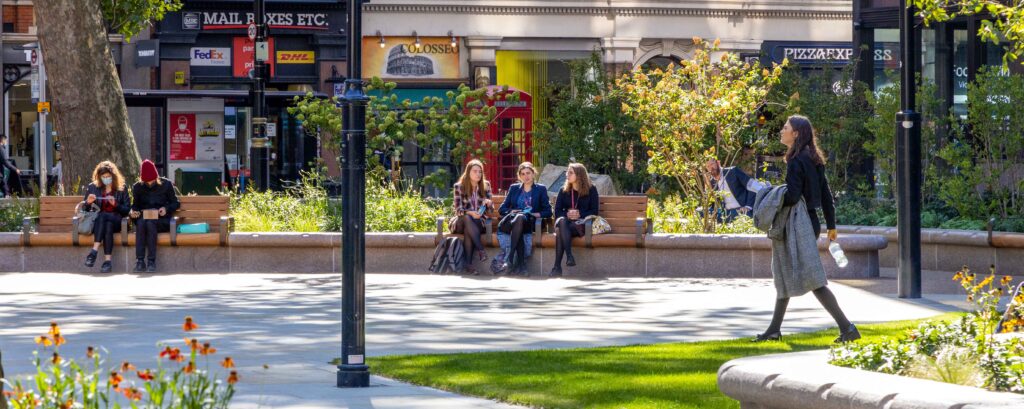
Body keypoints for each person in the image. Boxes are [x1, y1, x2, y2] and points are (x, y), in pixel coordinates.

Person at [753, 115, 859, 343]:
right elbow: (826, 195)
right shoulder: (814, 159)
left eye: (785, 128)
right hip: (810, 221)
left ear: (796, 133)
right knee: (785, 271)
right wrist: (831, 226)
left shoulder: (795, 161)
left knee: (813, 278)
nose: (781, 131)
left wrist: (772, 193)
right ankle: (774, 330)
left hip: (797, 223)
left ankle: (847, 327)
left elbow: (792, 196)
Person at [497, 162, 552, 275]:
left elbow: (548, 211)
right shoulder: (514, 188)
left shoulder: (540, 189)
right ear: (519, 176)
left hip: (531, 222)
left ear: (533, 174)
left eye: (528, 173)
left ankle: (510, 257)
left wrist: (534, 214)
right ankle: (521, 266)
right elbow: (502, 209)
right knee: (519, 219)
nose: (525, 176)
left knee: (520, 220)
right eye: (522, 174)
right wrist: (512, 211)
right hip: (512, 221)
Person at [550, 163, 599, 277]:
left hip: (582, 224)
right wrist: (567, 214)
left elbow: (594, 211)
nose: (567, 174)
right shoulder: (564, 190)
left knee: (559, 231)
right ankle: (569, 256)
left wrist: (579, 214)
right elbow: (557, 212)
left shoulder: (591, 189)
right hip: (566, 223)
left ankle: (557, 267)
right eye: (567, 172)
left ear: (579, 175)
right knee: (562, 222)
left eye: (570, 172)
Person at [130, 159, 179, 273]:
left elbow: (175, 203)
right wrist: (133, 212)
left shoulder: (166, 184)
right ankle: (140, 261)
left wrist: (165, 209)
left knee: (150, 223)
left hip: (162, 219)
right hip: (144, 218)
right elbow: (135, 206)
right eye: (147, 182)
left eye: (152, 180)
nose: (150, 183)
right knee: (142, 223)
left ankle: (151, 261)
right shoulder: (138, 187)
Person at [81, 161, 131, 273]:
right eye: (103, 177)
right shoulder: (93, 187)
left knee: (104, 216)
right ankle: (107, 262)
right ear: (99, 177)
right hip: (100, 224)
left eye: (108, 176)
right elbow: (84, 210)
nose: (106, 178)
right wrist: (88, 203)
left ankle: (94, 251)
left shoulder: (121, 188)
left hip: (117, 221)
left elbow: (127, 210)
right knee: (107, 225)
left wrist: (116, 205)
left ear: (113, 176)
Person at [452, 159, 493, 275]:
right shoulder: (459, 187)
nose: (478, 174)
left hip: (478, 222)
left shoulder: (486, 186)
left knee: (468, 229)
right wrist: (470, 212)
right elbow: (458, 210)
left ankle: (469, 265)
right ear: (468, 172)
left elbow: (490, 211)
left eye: (480, 172)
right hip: (460, 221)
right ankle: (481, 249)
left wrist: (489, 204)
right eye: (475, 171)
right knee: (467, 218)